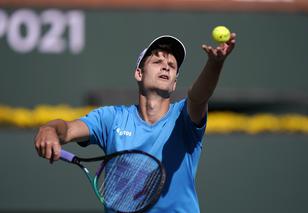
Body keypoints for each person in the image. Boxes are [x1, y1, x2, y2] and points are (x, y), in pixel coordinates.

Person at [34, 33, 236, 212]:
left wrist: (215, 64)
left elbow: (199, 96)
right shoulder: (111, 118)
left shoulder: (184, 116)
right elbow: (67, 129)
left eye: (172, 65)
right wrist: (50, 129)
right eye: (157, 62)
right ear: (139, 73)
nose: (166, 65)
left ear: (174, 83)